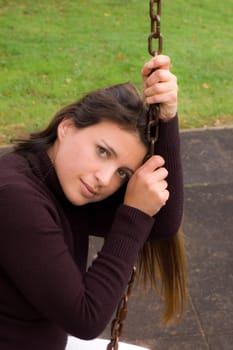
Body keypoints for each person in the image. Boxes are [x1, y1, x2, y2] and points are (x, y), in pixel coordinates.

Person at [0, 55, 187, 350]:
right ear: (67, 127)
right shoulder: (13, 198)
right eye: (102, 151)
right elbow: (85, 318)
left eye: (122, 173)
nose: (104, 178)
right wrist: (133, 212)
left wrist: (166, 119)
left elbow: (161, 224)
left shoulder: (65, 183)